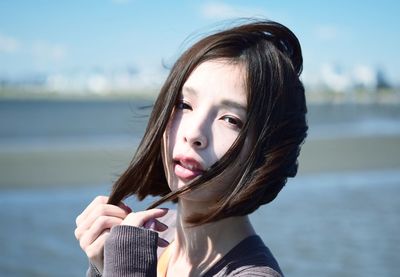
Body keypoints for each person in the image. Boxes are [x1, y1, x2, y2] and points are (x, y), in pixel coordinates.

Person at [75, 19, 307, 277]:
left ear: (268, 152)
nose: (194, 133)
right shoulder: (152, 232)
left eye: (230, 120)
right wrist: (103, 265)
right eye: (184, 105)